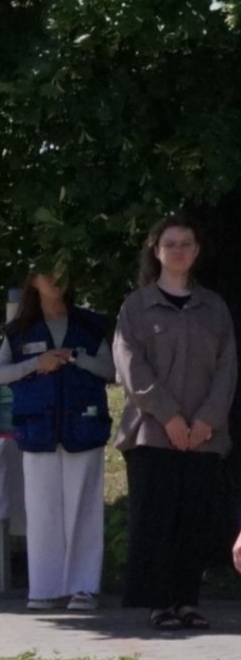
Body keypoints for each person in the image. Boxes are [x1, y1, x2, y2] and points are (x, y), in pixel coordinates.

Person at [114, 215, 235, 631]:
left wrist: (205, 420)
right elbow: (131, 368)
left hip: (204, 436)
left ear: (196, 251)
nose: (178, 250)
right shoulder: (136, 307)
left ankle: (187, 601)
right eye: (170, 244)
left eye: (186, 243)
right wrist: (169, 417)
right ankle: (159, 604)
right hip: (152, 433)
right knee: (156, 519)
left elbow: (227, 369)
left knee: (194, 521)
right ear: (156, 250)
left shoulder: (214, 307)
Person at [0, 270, 116, 611]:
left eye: (63, 273)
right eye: (48, 274)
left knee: (84, 508)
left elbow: (110, 370)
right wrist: (37, 363)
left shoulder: (90, 326)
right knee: (42, 509)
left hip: (84, 427)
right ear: (33, 281)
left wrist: (76, 358)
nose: (57, 280)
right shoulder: (19, 332)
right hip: (38, 430)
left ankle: (84, 588)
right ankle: (44, 588)